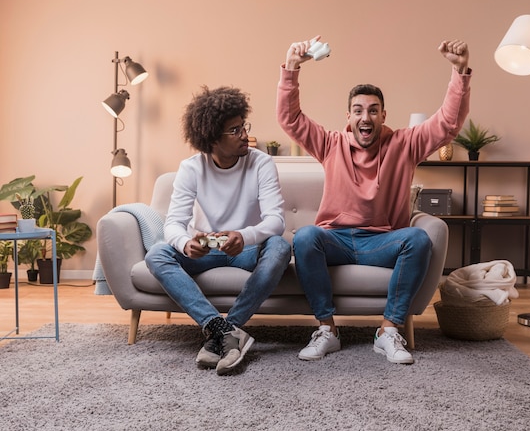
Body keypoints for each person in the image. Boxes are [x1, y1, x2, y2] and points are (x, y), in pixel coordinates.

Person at [276, 36, 471, 364]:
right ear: (349, 116)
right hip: (335, 239)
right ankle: (327, 330)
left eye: (372, 111)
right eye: (358, 111)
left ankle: (388, 330)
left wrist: (460, 72)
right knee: (306, 235)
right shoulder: (329, 143)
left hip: (382, 241)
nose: (365, 117)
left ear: (383, 115)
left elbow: (447, 124)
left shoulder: (405, 144)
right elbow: (291, 120)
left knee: (418, 238)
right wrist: (292, 68)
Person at [146, 86, 291, 375]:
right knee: (157, 255)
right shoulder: (191, 168)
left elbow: (276, 220)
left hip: (247, 246)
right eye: (234, 130)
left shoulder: (261, 162)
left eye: (243, 126)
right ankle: (222, 330)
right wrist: (187, 244)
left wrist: (245, 236)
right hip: (207, 247)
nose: (244, 135)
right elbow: (173, 222)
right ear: (212, 139)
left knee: (281, 247)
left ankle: (226, 330)